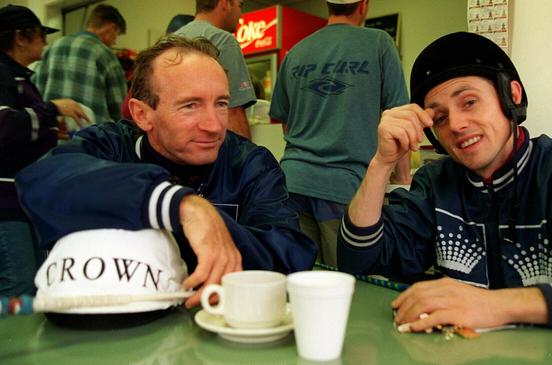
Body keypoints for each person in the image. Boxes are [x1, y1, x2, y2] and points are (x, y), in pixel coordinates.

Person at [337, 32, 552, 332]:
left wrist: (496, 305)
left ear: (511, 96)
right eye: (440, 118)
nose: (457, 124)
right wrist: (382, 163)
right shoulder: (435, 183)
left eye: (469, 102)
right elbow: (359, 261)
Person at [16, 35, 317, 308]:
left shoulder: (250, 164)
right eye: (190, 106)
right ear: (142, 114)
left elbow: (291, 256)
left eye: (221, 103)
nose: (214, 125)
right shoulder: (111, 145)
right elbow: (42, 180)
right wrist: (177, 205)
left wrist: (214, 230)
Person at [269, 0, 410, 267]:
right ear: (364, 5)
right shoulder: (379, 42)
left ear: (327, 5)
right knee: (346, 288)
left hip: (291, 184)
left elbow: (284, 122)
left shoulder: (296, 52)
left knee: (301, 282)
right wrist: (403, 182)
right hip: (346, 190)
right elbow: (399, 121)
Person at [0, 5, 88, 297]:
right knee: (19, 281)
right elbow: (4, 126)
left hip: (21, 199)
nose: (45, 42)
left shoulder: (20, 78)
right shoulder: (2, 74)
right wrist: (53, 109)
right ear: (20, 37)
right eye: (40, 35)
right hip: (5, 202)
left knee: (33, 280)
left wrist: (49, 132)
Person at [33, 4, 127, 123]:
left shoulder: (52, 47)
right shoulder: (105, 54)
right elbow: (120, 108)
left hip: (53, 134)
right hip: (91, 137)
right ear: (110, 28)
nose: (115, 41)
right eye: (117, 34)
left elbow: (35, 91)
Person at [175, 0, 255, 139]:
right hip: (209, 146)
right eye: (240, 5)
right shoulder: (223, 41)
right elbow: (233, 113)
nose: (241, 15)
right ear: (225, 3)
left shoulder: (168, 41)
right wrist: (247, 158)